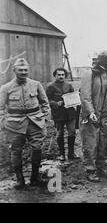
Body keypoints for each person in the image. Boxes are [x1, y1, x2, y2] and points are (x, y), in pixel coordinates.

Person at [0, 58, 50, 189]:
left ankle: (35, 177)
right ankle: (19, 180)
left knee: (37, 148)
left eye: (25, 70)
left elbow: (45, 103)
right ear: (14, 70)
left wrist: (44, 118)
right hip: (14, 124)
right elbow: (0, 108)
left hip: (35, 123)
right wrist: (3, 122)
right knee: (16, 151)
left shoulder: (36, 84)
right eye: (20, 70)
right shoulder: (5, 88)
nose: (23, 72)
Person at [79, 50, 107, 182]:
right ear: (102, 59)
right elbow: (85, 96)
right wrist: (91, 112)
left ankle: (101, 167)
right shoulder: (89, 74)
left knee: (103, 143)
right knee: (91, 143)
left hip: (105, 115)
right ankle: (90, 170)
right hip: (91, 115)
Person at [46, 68, 79, 161]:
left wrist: (74, 99)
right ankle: (61, 154)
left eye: (62, 75)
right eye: (59, 75)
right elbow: (46, 100)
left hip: (70, 113)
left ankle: (71, 153)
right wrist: (55, 103)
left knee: (72, 132)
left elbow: (74, 96)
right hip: (58, 114)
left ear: (65, 76)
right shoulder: (50, 87)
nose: (61, 76)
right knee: (60, 133)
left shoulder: (69, 85)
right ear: (55, 76)